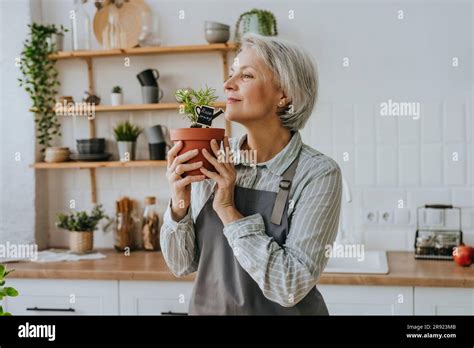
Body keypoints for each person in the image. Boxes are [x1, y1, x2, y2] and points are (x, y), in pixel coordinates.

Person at [160, 33, 342, 315]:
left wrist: (227, 209)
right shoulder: (214, 155)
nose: (227, 84)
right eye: (232, 73)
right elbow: (181, 265)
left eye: (246, 76)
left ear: (284, 95)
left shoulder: (318, 173)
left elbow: (289, 286)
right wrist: (178, 203)